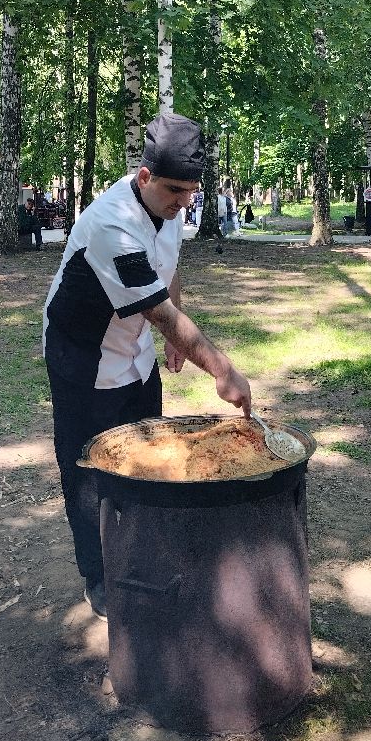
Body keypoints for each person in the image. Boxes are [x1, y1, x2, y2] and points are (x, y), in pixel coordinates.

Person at [42, 112, 252, 620]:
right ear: (144, 177)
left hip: (134, 354)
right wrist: (221, 369)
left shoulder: (171, 204)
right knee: (90, 471)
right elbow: (157, 309)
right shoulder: (112, 224)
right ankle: (100, 576)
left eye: (192, 191)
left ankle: (143, 555)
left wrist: (173, 342)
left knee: (149, 458)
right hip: (83, 360)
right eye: (176, 190)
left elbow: (168, 272)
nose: (185, 202)